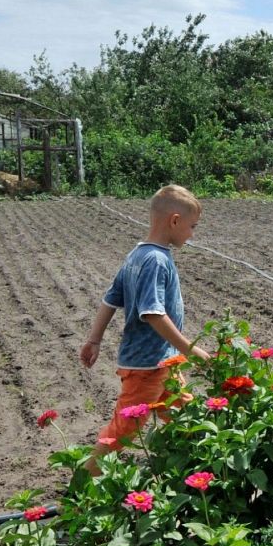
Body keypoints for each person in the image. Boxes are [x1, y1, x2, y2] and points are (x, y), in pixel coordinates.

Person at [79, 185, 212, 466]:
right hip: (147, 365)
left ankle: (194, 469)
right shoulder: (155, 260)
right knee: (125, 429)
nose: (193, 234)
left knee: (186, 415)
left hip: (163, 363)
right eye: (192, 226)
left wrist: (94, 340)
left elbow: (109, 300)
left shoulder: (137, 255)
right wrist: (191, 350)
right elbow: (153, 313)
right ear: (174, 221)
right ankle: (84, 482)